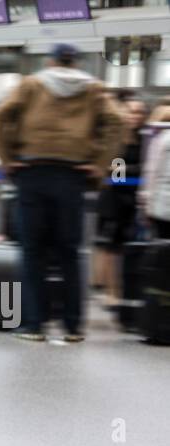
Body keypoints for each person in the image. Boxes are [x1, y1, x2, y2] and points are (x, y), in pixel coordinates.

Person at [0, 43, 125, 342]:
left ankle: (34, 325)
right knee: (70, 252)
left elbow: (1, 114)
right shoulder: (94, 89)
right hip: (73, 176)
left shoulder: (31, 84)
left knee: (32, 251)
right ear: (75, 63)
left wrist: (6, 157)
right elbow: (117, 121)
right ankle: (73, 326)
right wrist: (100, 164)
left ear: (50, 61)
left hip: (33, 173)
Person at [93, 93, 148, 310]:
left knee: (126, 249)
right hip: (114, 201)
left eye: (139, 112)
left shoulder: (144, 139)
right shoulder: (117, 141)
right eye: (132, 111)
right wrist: (140, 171)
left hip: (133, 200)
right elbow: (116, 173)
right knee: (111, 248)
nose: (136, 116)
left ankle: (123, 290)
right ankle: (111, 292)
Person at [138, 104, 170, 240]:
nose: (136, 116)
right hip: (119, 194)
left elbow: (149, 170)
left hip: (152, 199)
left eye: (139, 113)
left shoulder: (150, 139)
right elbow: (115, 167)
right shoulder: (127, 138)